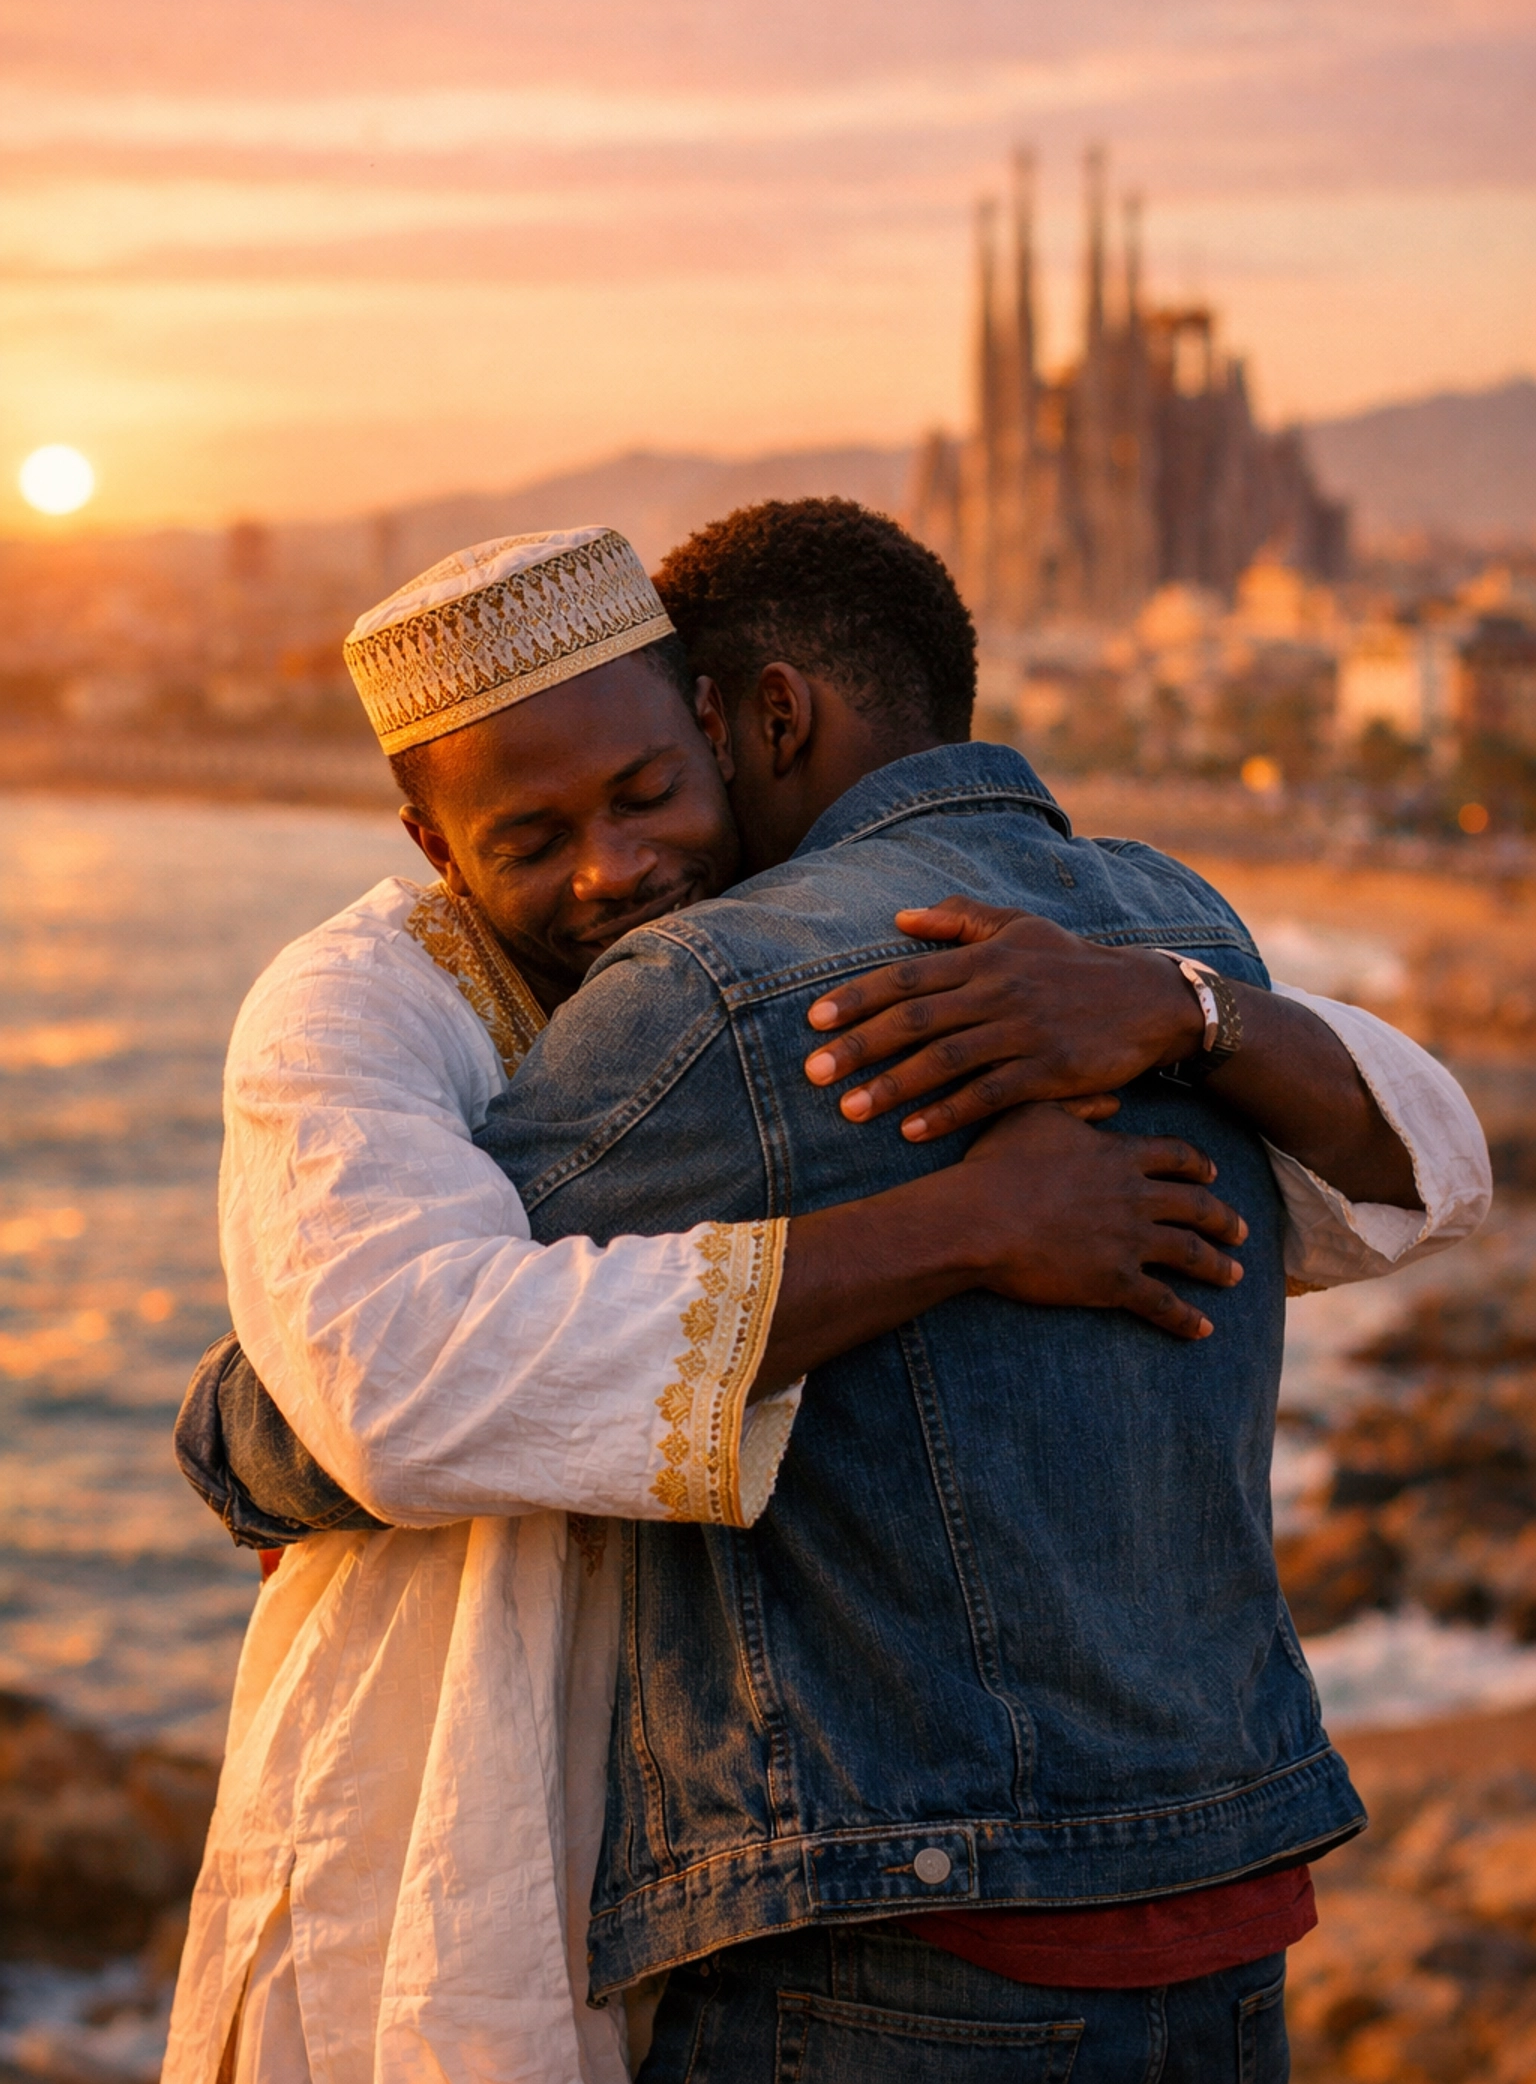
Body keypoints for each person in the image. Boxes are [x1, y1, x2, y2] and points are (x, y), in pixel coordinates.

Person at [193, 506, 1489, 2081]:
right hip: (1221, 1896)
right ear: (432, 844)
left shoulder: (731, 988)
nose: (615, 867)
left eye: (650, 789)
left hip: (894, 1927)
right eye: (531, 840)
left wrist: (235, 1432)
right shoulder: (1167, 919)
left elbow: (292, 1422)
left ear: (743, 724)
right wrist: (1006, 1184)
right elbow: (1414, 1172)